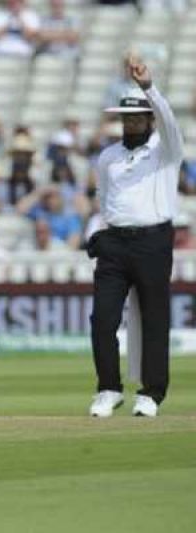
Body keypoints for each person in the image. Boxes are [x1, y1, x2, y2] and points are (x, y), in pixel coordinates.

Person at [87, 55, 183, 418]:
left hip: (153, 242)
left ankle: (151, 393)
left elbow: (170, 120)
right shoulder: (109, 155)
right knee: (103, 319)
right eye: (127, 117)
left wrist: (148, 87)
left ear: (149, 118)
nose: (132, 123)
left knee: (155, 318)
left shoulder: (165, 149)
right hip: (115, 244)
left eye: (139, 116)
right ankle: (109, 389)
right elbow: (103, 197)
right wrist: (104, 232)